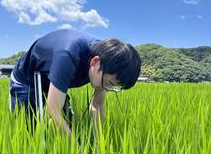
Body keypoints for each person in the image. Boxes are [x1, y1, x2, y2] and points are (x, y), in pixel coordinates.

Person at [9, 29, 141, 142]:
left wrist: (99, 144)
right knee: (29, 133)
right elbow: (53, 111)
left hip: (54, 78)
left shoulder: (107, 62)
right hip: (28, 79)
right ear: (95, 62)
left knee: (68, 126)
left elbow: (97, 105)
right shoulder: (68, 55)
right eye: (109, 84)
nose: (107, 89)